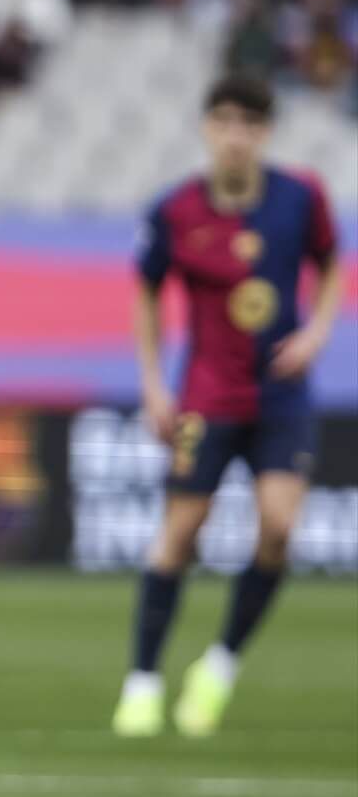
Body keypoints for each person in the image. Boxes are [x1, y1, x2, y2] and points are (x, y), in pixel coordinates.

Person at [113, 73, 342, 739]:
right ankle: (143, 682)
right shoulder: (175, 211)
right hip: (206, 397)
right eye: (225, 122)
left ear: (265, 133)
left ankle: (219, 666)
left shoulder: (300, 198)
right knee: (180, 534)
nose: (236, 136)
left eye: (250, 124)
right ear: (207, 128)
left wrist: (317, 334)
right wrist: (155, 383)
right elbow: (147, 292)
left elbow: (330, 263)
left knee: (277, 530)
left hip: (281, 395)